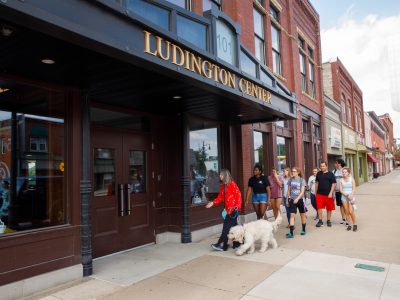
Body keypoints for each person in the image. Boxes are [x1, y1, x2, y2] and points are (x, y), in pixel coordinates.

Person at [206, 169, 242, 251]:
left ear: (225, 175)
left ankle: (222, 245)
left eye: (221, 175)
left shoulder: (232, 184)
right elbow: (220, 198)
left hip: (233, 211)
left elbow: (238, 195)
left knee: (226, 228)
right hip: (227, 211)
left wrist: (237, 207)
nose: (220, 176)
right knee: (234, 228)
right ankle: (237, 243)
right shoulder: (223, 186)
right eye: (220, 175)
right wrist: (212, 203)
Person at [286, 167, 307, 238]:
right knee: (292, 216)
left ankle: (303, 230)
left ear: (298, 172)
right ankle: (291, 233)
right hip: (292, 200)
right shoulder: (290, 180)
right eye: (292, 171)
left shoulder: (302, 180)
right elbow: (288, 190)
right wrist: (287, 199)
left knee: (302, 215)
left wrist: (297, 199)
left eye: (294, 171)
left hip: (300, 200)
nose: (293, 173)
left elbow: (302, 191)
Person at [315, 162, 336, 227]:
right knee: (319, 207)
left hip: (328, 194)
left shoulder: (331, 174)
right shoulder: (318, 173)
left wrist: (331, 193)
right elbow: (316, 183)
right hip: (319, 194)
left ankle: (328, 220)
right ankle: (320, 221)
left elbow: (333, 184)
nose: (322, 167)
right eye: (321, 166)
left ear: (326, 166)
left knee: (329, 208)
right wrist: (316, 193)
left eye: (323, 166)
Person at [339, 167, 358, 232]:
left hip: (351, 196)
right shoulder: (340, 180)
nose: (344, 173)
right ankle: (349, 225)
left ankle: (355, 224)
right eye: (343, 172)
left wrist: (351, 195)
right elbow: (341, 190)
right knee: (346, 212)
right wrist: (346, 195)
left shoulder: (352, 179)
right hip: (344, 197)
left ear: (348, 173)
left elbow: (354, 189)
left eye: (345, 172)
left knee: (350, 211)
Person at [333, 159, 347, 225]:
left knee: (345, 205)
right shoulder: (334, 171)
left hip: (344, 191)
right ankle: (343, 219)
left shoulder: (345, 170)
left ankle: (348, 219)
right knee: (341, 205)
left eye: (336, 163)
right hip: (337, 191)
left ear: (339, 164)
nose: (335, 164)